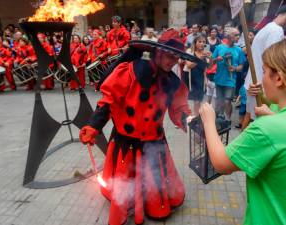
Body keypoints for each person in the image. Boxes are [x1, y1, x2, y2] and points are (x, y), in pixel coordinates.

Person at [199, 34, 286, 225]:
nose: (261, 78)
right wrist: (272, 115)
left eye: (264, 72)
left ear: (279, 78)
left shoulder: (270, 129)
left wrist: (208, 121)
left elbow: (221, 163)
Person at [79, 28, 195, 225]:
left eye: (176, 58)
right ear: (157, 52)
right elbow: (109, 101)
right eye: (168, 55)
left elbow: (179, 110)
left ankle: (151, 204)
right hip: (127, 141)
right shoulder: (131, 70)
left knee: (153, 181)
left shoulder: (173, 83)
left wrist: (194, 122)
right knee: (125, 185)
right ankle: (126, 205)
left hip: (154, 142)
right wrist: (93, 126)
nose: (172, 62)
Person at [243, 4, 286, 127]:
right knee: (256, 123)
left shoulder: (266, 28)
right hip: (261, 86)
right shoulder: (276, 31)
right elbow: (273, 61)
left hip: (254, 82)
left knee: (249, 117)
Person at [212, 28, 245, 122]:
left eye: (238, 35)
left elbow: (241, 67)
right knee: (219, 101)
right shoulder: (219, 47)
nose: (238, 37)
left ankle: (228, 119)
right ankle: (220, 116)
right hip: (219, 79)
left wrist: (234, 68)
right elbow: (211, 63)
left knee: (227, 101)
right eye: (236, 35)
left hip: (230, 80)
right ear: (229, 36)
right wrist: (215, 59)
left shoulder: (239, 50)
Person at [182, 34, 211, 116]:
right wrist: (200, 58)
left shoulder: (206, 53)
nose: (202, 43)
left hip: (201, 78)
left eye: (204, 42)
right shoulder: (189, 51)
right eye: (200, 41)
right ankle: (189, 117)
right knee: (190, 99)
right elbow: (189, 65)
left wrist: (211, 58)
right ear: (195, 43)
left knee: (198, 100)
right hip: (190, 77)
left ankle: (196, 118)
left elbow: (209, 66)